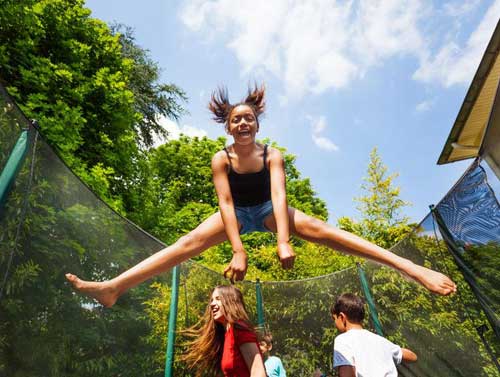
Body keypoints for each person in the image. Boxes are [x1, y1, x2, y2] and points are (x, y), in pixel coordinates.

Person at [65, 84, 456, 308]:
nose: (243, 123)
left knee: (323, 230)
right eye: (236, 119)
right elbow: (227, 204)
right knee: (186, 244)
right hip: (235, 215)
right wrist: (239, 250)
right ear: (228, 126)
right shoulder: (221, 158)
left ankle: (412, 268)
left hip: (271, 210)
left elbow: (279, 195)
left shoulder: (273, 155)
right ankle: (114, 286)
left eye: (248, 118)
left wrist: (284, 241)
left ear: (257, 124)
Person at [181, 285, 267, 377]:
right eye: (212, 300)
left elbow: (258, 372)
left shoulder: (239, 329)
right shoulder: (226, 334)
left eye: (218, 299)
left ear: (231, 301)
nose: (212, 304)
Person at [331, 293, 418, 377]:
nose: (334, 323)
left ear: (342, 317)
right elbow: (413, 356)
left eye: (334, 318)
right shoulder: (380, 341)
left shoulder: (343, 340)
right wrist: (391, 351)